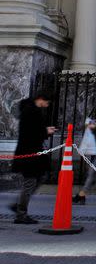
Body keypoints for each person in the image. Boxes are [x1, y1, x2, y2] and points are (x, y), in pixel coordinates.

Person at [11, 92, 56, 224]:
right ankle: (21, 213)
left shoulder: (31, 110)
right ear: (41, 99)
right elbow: (30, 132)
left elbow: (33, 130)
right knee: (30, 182)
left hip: (33, 152)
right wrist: (45, 131)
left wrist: (44, 130)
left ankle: (20, 205)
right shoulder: (31, 112)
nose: (47, 105)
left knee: (40, 177)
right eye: (47, 102)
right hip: (29, 153)